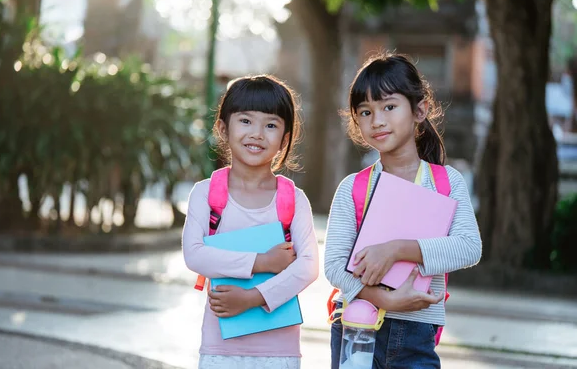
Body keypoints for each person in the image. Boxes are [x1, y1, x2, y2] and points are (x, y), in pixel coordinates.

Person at [325, 53, 482, 368]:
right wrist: (381, 297)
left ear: (419, 110)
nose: (377, 121)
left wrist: (396, 250)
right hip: (356, 328)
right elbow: (333, 266)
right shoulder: (353, 188)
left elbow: (469, 248)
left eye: (389, 107)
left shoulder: (445, 182)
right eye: (365, 112)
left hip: (416, 331)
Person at [183, 75, 319, 369]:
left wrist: (253, 297)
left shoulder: (294, 200)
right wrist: (262, 262)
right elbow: (194, 254)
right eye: (245, 121)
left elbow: (308, 266)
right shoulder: (206, 194)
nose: (257, 133)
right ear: (223, 128)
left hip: (280, 351)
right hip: (220, 348)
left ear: (285, 140)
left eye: (270, 125)